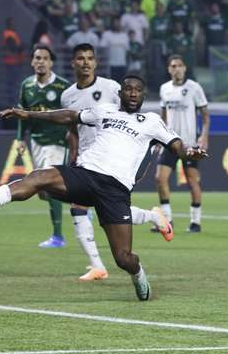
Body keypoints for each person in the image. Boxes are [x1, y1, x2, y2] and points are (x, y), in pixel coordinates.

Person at [0, 75, 206, 301]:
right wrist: (29, 115)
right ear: (120, 93)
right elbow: (69, 116)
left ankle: (138, 274)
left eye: (138, 90)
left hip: (115, 189)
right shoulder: (106, 111)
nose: (133, 93)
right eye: (128, 89)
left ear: (143, 95)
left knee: (123, 259)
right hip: (85, 174)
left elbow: (177, 146)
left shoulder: (151, 121)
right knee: (38, 177)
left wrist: (190, 151)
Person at [61, 43, 174, 281]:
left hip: (115, 163)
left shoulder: (112, 88)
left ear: (95, 62)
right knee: (80, 206)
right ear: (73, 63)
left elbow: (133, 116)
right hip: (87, 159)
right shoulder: (67, 95)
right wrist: (73, 154)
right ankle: (97, 265)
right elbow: (72, 127)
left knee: (92, 207)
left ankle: (98, 265)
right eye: (80, 58)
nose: (85, 63)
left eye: (90, 58)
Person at [16, 45, 70, 248]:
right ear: (32, 61)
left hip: (57, 142)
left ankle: (58, 237)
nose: (41, 61)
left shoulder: (62, 86)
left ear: (51, 62)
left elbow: (71, 114)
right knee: (42, 193)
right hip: (37, 140)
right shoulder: (26, 85)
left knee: (49, 186)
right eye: (37, 58)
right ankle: (80, 204)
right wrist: (20, 138)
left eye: (45, 58)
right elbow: (23, 114)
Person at [155, 55, 210, 232]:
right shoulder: (164, 89)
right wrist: (159, 136)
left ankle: (196, 222)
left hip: (189, 144)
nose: (177, 69)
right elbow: (163, 116)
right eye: (173, 66)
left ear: (184, 68)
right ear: (169, 69)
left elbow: (206, 116)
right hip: (171, 142)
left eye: (179, 65)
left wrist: (204, 137)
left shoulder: (194, 88)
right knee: (160, 178)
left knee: (192, 182)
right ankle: (167, 220)